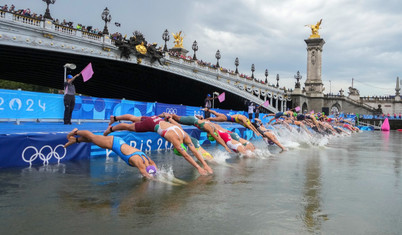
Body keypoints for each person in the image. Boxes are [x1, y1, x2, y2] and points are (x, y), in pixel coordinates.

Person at [104, 115, 213, 175]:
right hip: (151, 124)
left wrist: (205, 164)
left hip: (156, 119)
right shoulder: (175, 140)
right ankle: (111, 129)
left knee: (134, 118)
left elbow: (194, 151)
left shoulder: (184, 135)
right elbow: (187, 155)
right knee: (129, 127)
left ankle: (115, 118)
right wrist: (199, 167)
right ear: (176, 148)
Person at [64, 128, 157, 179]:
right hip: (113, 143)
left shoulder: (148, 160)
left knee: (94, 139)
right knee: (92, 137)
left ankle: (75, 140)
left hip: (117, 142)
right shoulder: (139, 162)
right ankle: (75, 131)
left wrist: (157, 173)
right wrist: (153, 179)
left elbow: (153, 165)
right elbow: (144, 173)